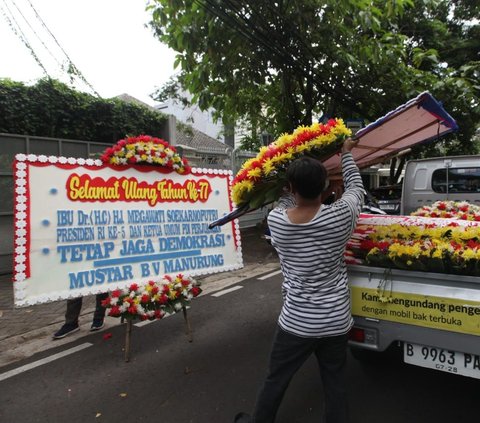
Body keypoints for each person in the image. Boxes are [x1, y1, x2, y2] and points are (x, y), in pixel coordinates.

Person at [235, 137, 364, 423]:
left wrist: (285, 176)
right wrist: (345, 154)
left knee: (276, 379)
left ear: (292, 188)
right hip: (335, 321)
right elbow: (356, 189)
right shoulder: (341, 216)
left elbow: (282, 200)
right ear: (324, 186)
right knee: (335, 382)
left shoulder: (277, 222)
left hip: (296, 321)